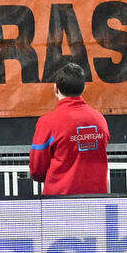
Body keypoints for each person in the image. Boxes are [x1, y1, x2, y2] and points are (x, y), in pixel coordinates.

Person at [28, 62, 110, 196]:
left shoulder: (48, 122)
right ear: (84, 88)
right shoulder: (99, 119)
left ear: (55, 88)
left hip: (59, 201)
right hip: (97, 198)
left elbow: (37, 169)